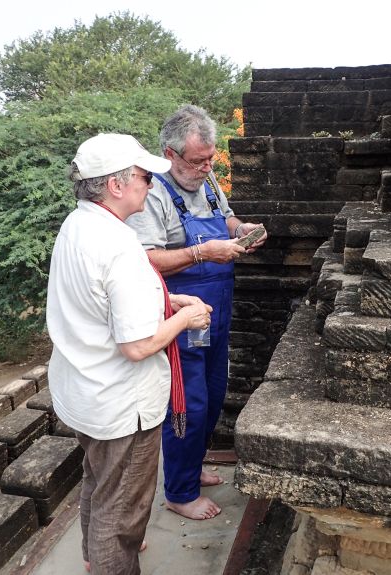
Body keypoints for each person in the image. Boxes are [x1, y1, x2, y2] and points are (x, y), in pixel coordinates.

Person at [46, 133, 212, 574]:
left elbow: (102, 303)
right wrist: (184, 320)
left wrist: (167, 303)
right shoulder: (119, 245)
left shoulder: (78, 225)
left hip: (85, 388)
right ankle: (109, 563)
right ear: (115, 185)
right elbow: (138, 345)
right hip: (120, 401)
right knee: (122, 512)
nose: (152, 185)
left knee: (100, 483)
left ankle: (91, 556)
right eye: (144, 176)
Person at [126, 105, 267, 521]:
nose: (207, 167)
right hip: (180, 314)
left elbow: (226, 219)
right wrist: (202, 252)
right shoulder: (153, 194)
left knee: (216, 392)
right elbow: (146, 259)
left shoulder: (206, 183)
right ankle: (179, 491)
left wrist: (241, 231)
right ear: (170, 154)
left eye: (210, 159)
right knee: (188, 405)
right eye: (197, 160)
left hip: (216, 309)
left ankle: (192, 466)